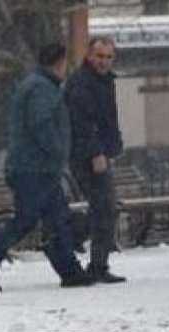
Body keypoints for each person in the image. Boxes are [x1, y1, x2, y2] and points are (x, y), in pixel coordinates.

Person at [0, 42, 94, 292]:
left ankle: (70, 271)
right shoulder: (42, 88)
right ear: (60, 62)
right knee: (27, 220)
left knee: (56, 218)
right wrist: (58, 151)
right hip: (34, 168)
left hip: (37, 167)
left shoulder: (37, 85)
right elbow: (41, 125)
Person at [65, 36, 126, 284]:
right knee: (104, 207)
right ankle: (92, 259)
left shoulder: (104, 82)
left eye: (109, 57)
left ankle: (97, 262)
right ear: (89, 56)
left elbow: (108, 119)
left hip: (98, 152)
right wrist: (96, 152)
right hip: (86, 156)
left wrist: (114, 144)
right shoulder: (82, 83)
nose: (104, 61)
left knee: (104, 208)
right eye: (100, 56)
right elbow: (82, 122)